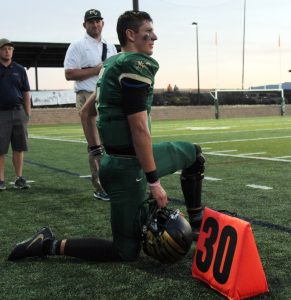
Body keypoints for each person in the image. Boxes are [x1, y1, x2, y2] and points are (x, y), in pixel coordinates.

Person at [8, 10, 205, 263]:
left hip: (116, 161)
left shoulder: (112, 63)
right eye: (148, 33)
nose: (154, 37)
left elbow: (85, 113)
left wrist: (97, 153)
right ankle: (47, 244)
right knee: (125, 252)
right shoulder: (135, 63)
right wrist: (154, 182)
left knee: (194, 155)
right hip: (128, 167)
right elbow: (139, 128)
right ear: (130, 35)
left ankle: (198, 226)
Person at [64, 9, 117, 201]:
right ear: (84, 25)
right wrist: (96, 69)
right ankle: (100, 186)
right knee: (95, 145)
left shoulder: (110, 47)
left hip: (106, 96)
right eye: (91, 22)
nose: (95, 25)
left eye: (97, 21)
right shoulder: (77, 46)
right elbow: (69, 74)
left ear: (103, 23)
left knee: (110, 142)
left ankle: (112, 183)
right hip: (87, 95)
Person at [0, 38, 31, 191]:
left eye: (10, 49)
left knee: (19, 148)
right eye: (4, 48)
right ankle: (1, 180)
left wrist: (27, 113)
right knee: (0, 149)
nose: (7, 51)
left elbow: (26, 92)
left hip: (19, 112)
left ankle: (19, 178)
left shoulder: (20, 69)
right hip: (1, 114)